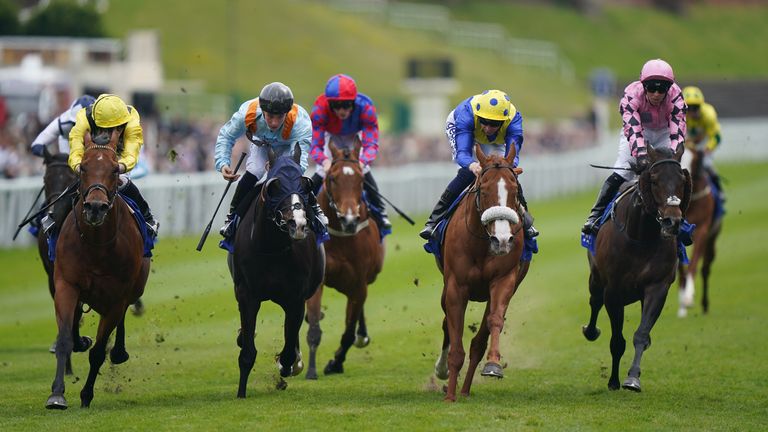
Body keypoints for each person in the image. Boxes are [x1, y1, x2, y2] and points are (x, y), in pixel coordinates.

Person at [582, 58, 686, 235]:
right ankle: (595, 216)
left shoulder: (676, 96)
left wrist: (675, 156)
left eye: (661, 89)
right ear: (643, 85)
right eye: (651, 88)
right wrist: (641, 155)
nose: (656, 94)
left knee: (674, 174)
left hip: (664, 133)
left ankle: (683, 221)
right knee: (622, 172)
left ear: (669, 88)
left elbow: (678, 130)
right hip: (638, 133)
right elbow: (633, 128)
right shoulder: (631, 94)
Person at [419, 89, 539, 240]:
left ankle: (526, 220)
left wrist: (510, 168)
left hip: (497, 140)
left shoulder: (514, 121)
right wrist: (472, 165)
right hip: (462, 127)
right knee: (467, 174)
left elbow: (513, 156)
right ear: (478, 116)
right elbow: (462, 154)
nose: (488, 128)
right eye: (484, 121)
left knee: (506, 175)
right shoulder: (466, 114)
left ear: (504, 121)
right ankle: (434, 220)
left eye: (494, 124)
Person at [216, 82, 325, 239]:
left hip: (288, 150)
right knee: (254, 172)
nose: (274, 122)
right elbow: (227, 135)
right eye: (270, 116)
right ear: (263, 110)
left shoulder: (300, 122)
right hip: (263, 146)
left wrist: (277, 168)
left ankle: (315, 215)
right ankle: (232, 217)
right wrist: (223, 163)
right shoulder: (248, 113)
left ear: (287, 113)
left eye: (279, 117)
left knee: (290, 179)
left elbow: (299, 163)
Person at [68, 93, 159, 237]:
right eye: (102, 128)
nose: (106, 134)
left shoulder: (131, 119)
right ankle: (55, 220)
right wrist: (78, 166)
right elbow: (76, 146)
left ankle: (148, 218)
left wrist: (119, 167)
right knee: (78, 182)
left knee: (121, 181)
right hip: (92, 156)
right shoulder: (83, 117)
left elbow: (131, 153)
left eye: (112, 129)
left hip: (119, 157)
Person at [308, 74, 391, 230]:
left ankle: (380, 212)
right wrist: (325, 161)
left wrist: (362, 161)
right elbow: (315, 145)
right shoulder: (320, 109)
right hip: (329, 135)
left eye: (346, 105)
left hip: (355, 134)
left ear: (353, 102)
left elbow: (371, 143)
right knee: (321, 170)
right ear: (329, 104)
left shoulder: (366, 108)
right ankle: (305, 209)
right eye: (336, 106)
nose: (342, 110)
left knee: (364, 169)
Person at [682, 85, 724, 193]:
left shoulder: (709, 114)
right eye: (688, 108)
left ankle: (719, 190)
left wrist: (707, 149)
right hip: (688, 140)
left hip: (706, 141)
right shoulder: (680, 114)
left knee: (706, 163)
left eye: (695, 107)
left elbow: (716, 136)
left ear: (701, 105)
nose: (691, 112)